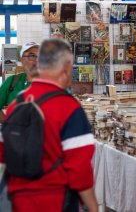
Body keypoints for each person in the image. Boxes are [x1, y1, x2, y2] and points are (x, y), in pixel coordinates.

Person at [0, 39, 98, 211]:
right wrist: (93, 207)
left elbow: (3, 154)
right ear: (66, 67)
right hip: (57, 201)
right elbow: (79, 169)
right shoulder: (69, 108)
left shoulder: (17, 103)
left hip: (19, 201)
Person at [0, 42, 39, 123]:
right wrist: (7, 123)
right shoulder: (12, 81)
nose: (37, 60)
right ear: (22, 60)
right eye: (31, 56)